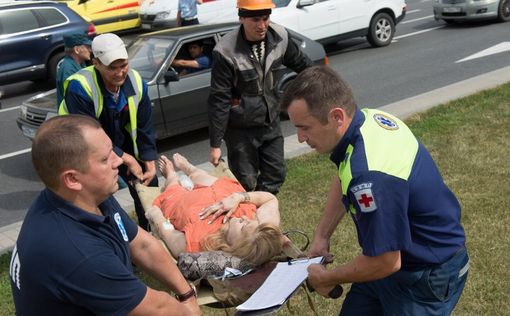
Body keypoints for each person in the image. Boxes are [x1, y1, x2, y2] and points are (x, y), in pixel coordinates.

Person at [280, 66, 470, 315]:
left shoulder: (369, 176)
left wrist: (327, 278)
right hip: (395, 266)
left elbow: (386, 261)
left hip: (425, 277)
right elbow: (343, 174)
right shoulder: (367, 121)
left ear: (337, 116)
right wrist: (322, 236)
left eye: (305, 127)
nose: (300, 138)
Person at [9, 115, 200, 315]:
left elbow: (142, 245)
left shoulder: (86, 195)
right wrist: (190, 312)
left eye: (112, 151)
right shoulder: (77, 252)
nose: (118, 160)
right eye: (104, 158)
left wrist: (186, 294)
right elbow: (157, 308)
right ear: (72, 178)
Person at [208, 0, 313, 195]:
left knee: (275, 175)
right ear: (242, 18)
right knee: (245, 181)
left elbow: (303, 65)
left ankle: (264, 217)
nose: (262, 25)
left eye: (265, 18)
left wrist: (326, 87)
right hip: (240, 129)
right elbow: (219, 99)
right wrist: (215, 144)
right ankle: (250, 218)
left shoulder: (280, 36)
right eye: (256, 19)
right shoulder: (225, 51)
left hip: (270, 120)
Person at [58, 33, 158, 231]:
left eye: (124, 65)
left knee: (148, 182)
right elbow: (90, 136)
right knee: (100, 192)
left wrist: (148, 160)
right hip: (82, 144)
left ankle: (151, 231)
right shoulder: (80, 87)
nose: (120, 73)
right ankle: (111, 238)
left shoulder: (137, 81)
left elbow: (145, 125)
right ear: (96, 63)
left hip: (117, 137)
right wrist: (124, 158)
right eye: (112, 68)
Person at [145, 153, 284, 266]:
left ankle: (170, 175)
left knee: (172, 189)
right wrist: (238, 197)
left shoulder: (201, 244)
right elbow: (270, 199)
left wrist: (156, 216)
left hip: (184, 205)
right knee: (205, 178)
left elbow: (168, 233)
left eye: (243, 226)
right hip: (224, 196)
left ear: (234, 246)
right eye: (251, 221)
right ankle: (189, 168)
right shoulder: (262, 231)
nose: (245, 218)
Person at [56, 33, 92, 106]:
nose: (90, 50)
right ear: (77, 50)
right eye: (87, 47)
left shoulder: (80, 63)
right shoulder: (68, 70)